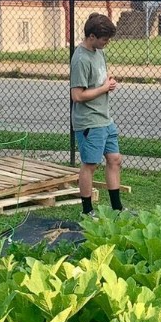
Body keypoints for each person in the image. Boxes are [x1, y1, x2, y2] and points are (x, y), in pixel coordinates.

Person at [70, 13, 124, 214]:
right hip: (89, 122)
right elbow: (77, 95)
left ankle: (117, 208)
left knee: (115, 159)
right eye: (104, 39)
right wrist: (103, 89)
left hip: (104, 118)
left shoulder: (98, 51)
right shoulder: (81, 59)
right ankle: (87, 210)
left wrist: (108, 80)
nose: (107, 43)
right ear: (91, 36)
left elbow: (99, 78)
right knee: (90, 165)